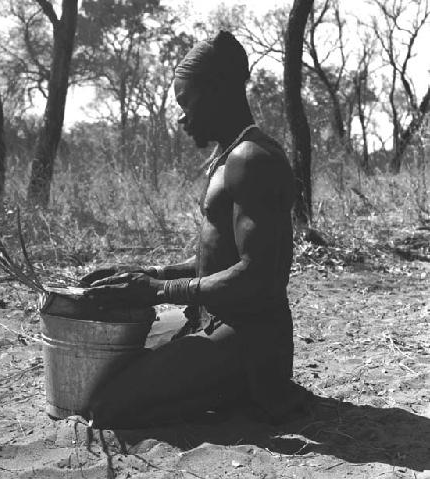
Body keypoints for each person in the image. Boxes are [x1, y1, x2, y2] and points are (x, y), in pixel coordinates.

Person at [79, 31, 306, 428]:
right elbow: (218, 258)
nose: (181, 116)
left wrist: (159, 292)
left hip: (246, 341)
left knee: (107, 408)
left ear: (217, 91)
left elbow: (257, 277)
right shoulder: (233, 154)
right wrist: (154, 274)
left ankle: (246, 395)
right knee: (113, 371)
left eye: (185, 101)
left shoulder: (252, 160)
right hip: (217, 324)